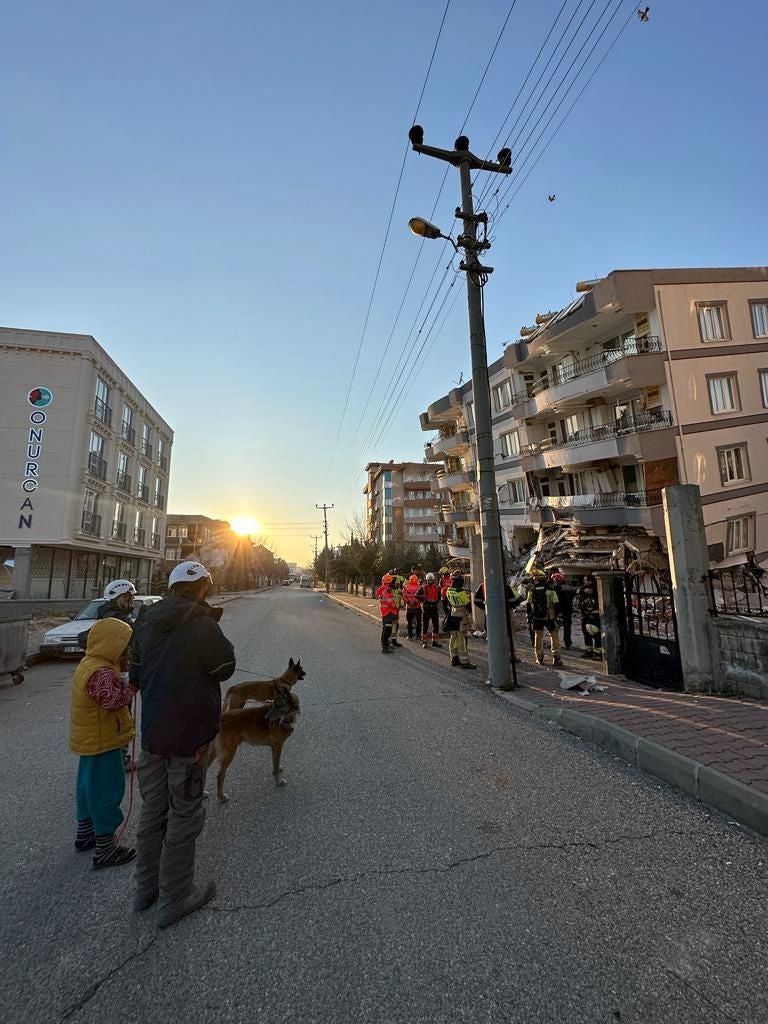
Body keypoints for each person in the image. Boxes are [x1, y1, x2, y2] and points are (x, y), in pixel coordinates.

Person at [130, 560, 236, 928]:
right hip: (189, 739)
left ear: (173, 587)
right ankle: (175, 896)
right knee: (185, 813)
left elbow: (136, 675)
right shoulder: (201, 624)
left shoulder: (144, 621)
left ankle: (145, 890)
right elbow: (225, 668)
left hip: (153, 738)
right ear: (203, 588)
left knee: (152, 811)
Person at [69, 617, 137, 869]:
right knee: (106, 791)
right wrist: (131, 690)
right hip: (104, 740)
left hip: (90, 740)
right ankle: (106, 848)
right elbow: (112, 702)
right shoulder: (102, 672)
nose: (127, 650)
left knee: (87, 787)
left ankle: (85, 833)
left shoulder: (90, 663)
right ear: (112, 643)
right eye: (124, 645)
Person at [526, 571, 562, 666]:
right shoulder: (550, 590)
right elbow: (556, 603)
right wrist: (559, 616)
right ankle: (556, 657)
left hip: (537, 617)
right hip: (549, 617)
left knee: (538, 636)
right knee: (554, 635)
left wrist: (529, 616)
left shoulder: (531, 590)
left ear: (535, 579)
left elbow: (529, 604)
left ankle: (539, 657)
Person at [446, 573, 476, 670]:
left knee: (453, 638)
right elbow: (467, 605)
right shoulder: (461, 592)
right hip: (461, 617)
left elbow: (448, 603)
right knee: (462, 639)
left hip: (453, 616)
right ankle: (465, 661)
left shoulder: (449, 590)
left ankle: (454, 658)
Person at [577, 575, 602, 660]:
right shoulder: (582, 590)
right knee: (586, 633)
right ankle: (589, 651)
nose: (584, 581)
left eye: (585, 580)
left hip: (594, 615)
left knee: (596, 634)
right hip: (585, 615)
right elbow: (579, 595)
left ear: (590, 581)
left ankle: (598, 653)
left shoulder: (596, 590)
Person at [375, 573, 399, 654]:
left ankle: (386, 645)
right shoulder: (386, 591)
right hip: (388, 613)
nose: (394, 583)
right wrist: (397, 604)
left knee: (387, 630)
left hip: (388, 613)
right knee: (387, 631)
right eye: (392, 582)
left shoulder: (385, 589)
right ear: (389, 583)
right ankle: (385, 648)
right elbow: (390, 603)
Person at [551, 571, 575, 650]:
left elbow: (557, 601)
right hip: (568, 610)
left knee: (555, 628)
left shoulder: (557, 588)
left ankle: (556, 643)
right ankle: (568, 643)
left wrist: (558, 612)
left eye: (554, 579)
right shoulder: (569, 586)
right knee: (567, 628)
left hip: (560, 611)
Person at [417, 572, 442, 649]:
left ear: (433, 580)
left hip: (434, 608)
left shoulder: (437, 588)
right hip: (426, 609)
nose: (430, 581)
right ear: (427, 580)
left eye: (431, 580)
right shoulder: (423, 588)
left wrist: (436, 602)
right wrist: (423, 599)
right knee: (425, 626)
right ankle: (424, 642)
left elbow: (439, 597)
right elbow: (416, 595)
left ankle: (435, 641)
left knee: (436, 626)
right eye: (429, 580)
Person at [402, 574, 423, 640]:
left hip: (409, 608)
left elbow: (404, 596)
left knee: (409, 623)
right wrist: (416, 602)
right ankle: (418, 636)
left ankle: (410, 636)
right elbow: (421, 597)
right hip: (417, 608)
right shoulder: (419, 587)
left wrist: (408, 602)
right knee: (419, 623)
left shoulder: (405, 587)